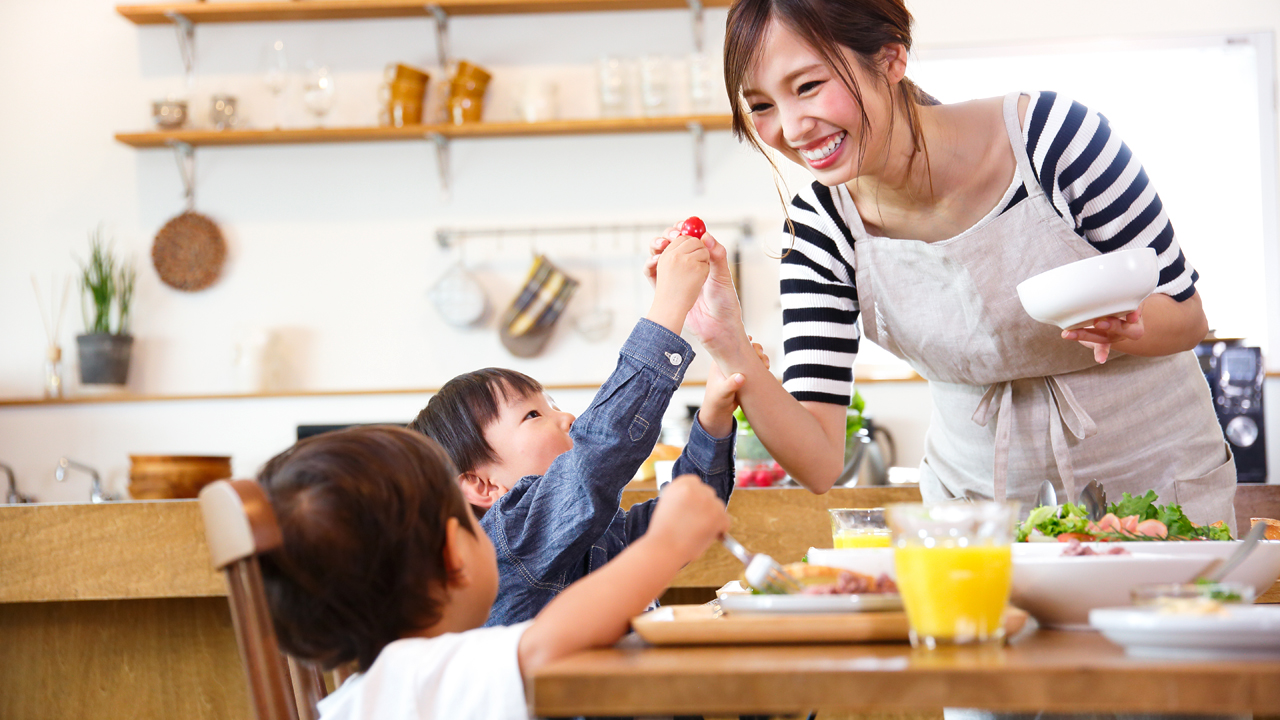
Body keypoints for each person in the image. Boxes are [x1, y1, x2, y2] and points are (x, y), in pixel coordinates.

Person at [646, 0, 1236, 532]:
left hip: (1156, 490)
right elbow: (820, 460)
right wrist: (725, 339)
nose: (793, 128)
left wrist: (1131, 327)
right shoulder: (820, 225)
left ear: (892, 57)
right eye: (763, 105)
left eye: (808, 85)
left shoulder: (1054, 139)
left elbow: (1187, 317)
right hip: (977, 514)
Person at [410, 232, 770, 626]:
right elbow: (597, 455)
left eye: (554, 406)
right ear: (483, 486)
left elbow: (688, 515)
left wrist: (715, 415)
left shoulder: (594, 530)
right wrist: (669, 304)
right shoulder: (509, 540)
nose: (567, 419)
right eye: (533, 415)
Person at [256, 425, 730, 720]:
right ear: (452, 555)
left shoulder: (357, 700)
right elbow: (550, 641)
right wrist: (667, 544)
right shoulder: (423, 674)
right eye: (474, 523)